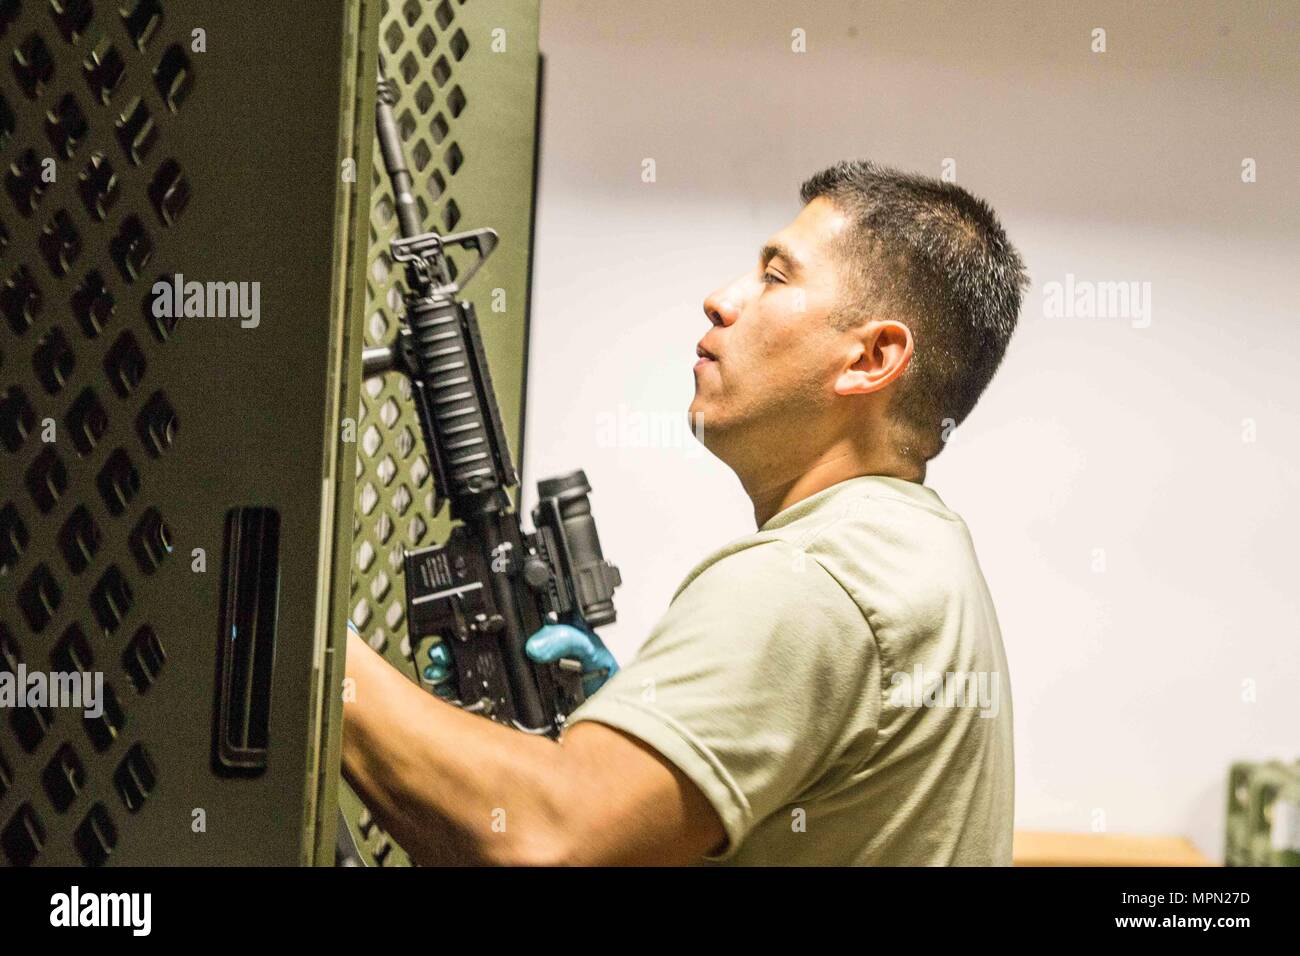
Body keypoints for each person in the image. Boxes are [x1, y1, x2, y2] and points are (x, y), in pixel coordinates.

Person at [342, 160, 1027, 865]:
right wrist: (643, 746)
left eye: (776, 276)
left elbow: (547, 841)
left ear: (872, 357)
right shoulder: (920, 548)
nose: (721, 300)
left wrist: (330, 667)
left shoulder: (816, 578)